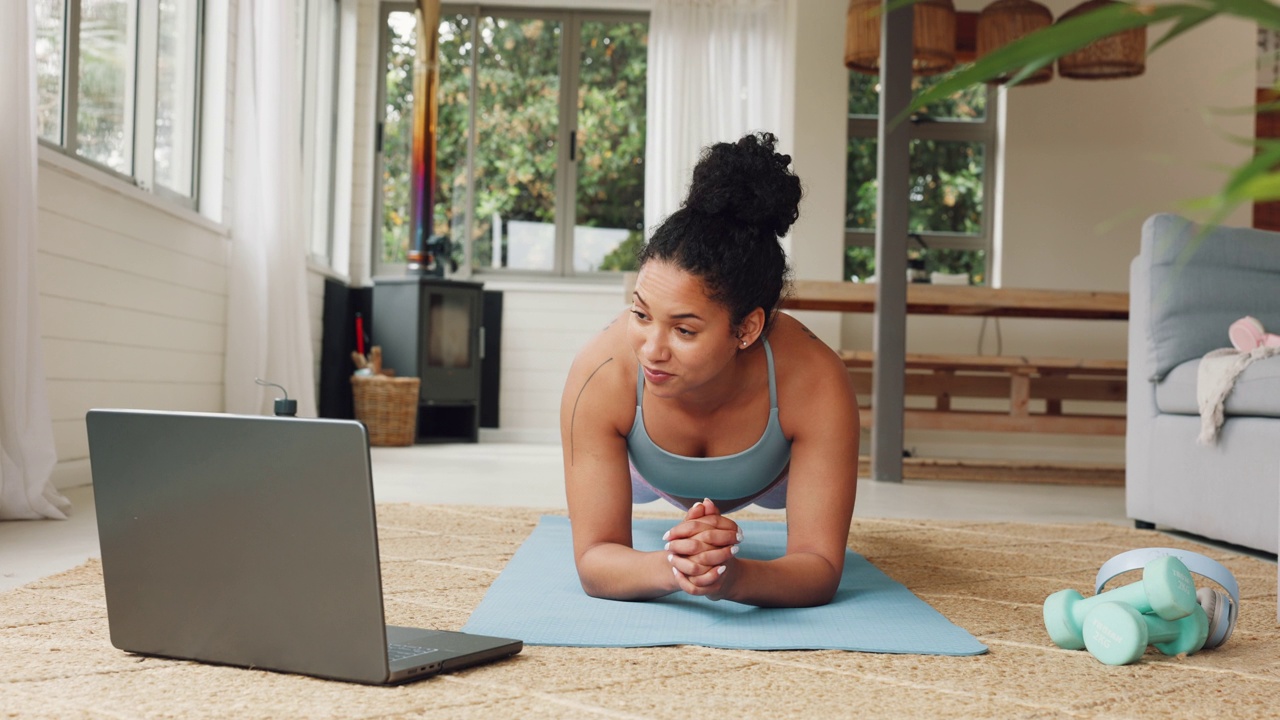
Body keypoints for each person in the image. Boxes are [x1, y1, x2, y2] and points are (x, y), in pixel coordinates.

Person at [559, 132, 860, 608]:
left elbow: (819, 568)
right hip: (644, 464)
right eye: (640, 314)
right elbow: (595, 559)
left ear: (746, 329)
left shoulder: (815, 379)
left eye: (684, 330)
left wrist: (733, 578)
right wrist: (677, 567)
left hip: (772, 473)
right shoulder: (603, 371)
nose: (651, 350)